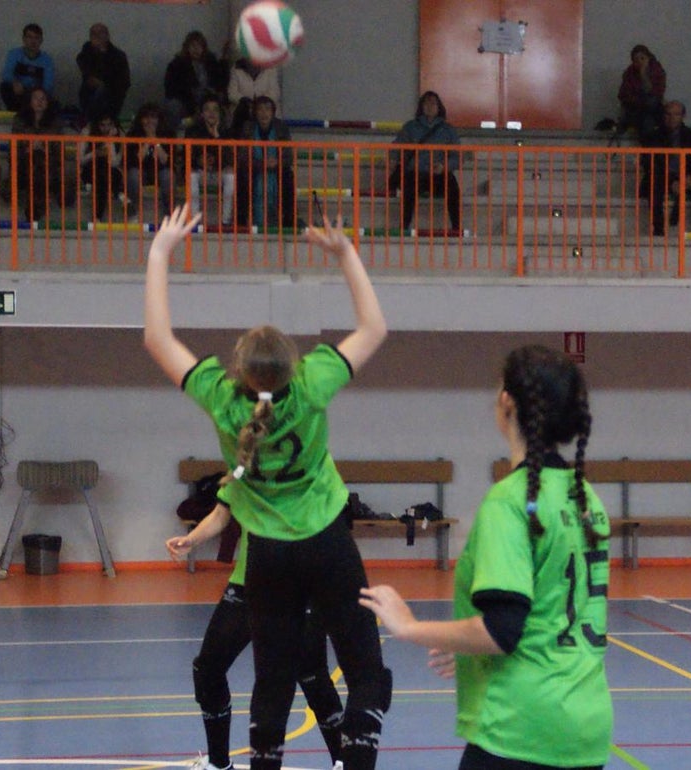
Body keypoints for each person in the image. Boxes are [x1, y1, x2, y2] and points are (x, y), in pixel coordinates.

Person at [144, 206, 392, 770]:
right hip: (328, 545)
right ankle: (355, 759)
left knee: (273, 683)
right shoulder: (313, 385)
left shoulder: (220, 397)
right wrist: (346, 254)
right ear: (293, 366)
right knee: (365, 672)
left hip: (270, 558)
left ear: (237, 370)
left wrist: (161, 253)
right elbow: (375, 328)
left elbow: (157, 337)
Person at [360, 344, 611, 770]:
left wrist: (412, 627)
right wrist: (469, 652)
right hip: (585, 728)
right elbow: (546, 617)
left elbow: (502, 629)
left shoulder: (509, 503)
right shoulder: (586, 499)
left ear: (507, 401)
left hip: (519, 729)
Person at [167, 505, 345, 770]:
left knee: (311, 674)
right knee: (208, 669)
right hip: (247, 584)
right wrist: (191, 540)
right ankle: (218, 763)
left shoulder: (308, 467)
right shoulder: (243, 470)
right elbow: (220, 514)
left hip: (301, 586)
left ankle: (343, 762)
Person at [390, 90, 462, 233]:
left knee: (453, 188)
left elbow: (457, 156)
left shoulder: (448, 130)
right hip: (415, 173)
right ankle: (404, 227)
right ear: (421, 107)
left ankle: (456, 228)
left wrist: (443, 167)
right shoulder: (410, 127)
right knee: (408, 189)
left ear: (439, 107)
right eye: (426, 103)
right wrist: (393, 159)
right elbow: (396, 147)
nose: (430, 106)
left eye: (433, 103)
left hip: (439, 175)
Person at [639, 99, 691, 236]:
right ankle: (658, 229)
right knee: (654, 183)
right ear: (663, 116)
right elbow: (650, 163)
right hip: (661, 176)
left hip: (686, 177)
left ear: (683, 116)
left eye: (676, 114)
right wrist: (671, 181)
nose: (672, 118)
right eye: (668, 114)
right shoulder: (652, 137)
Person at [10, 86, 73, 222]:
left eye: (43, 99)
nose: (39, 102)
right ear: (29, 101)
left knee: (39, 163)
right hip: (24, 165)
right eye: (36, 98)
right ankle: (36, 209)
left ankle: (34, 209)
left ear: (48, 102)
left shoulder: (55, 123)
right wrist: (28, 149)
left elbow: (59, 149)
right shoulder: (20, 120)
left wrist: (46, 150)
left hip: (49, 166)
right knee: (35, 162)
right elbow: (14, 147)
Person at [235, 96, 295, 229]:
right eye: (260, 109)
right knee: (242, 175)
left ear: (273, 113)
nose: (264, 113)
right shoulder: (248, 128)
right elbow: (243, 157)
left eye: (267, 109)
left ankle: (288, 219)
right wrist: (261, 164)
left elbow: (288, 156)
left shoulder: (281, 128)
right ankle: (240, 219)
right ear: (255, 113)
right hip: (254, 170)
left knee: (288, 175)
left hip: (277, 170)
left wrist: (277, 162)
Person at [184, 93, 235, 224]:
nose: (211, 113)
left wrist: (217, 137)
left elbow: (229, 158)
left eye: (215, 110)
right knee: (191, 176)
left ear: (220, 113)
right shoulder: (192, 131)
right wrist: (199, 161)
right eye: (207, 109)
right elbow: (188, 156)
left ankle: (226, 221)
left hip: (219, 173)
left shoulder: (226, 131)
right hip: (200, 172)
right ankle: (194, 220)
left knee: (231, 176)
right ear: (201, 113)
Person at [164, 31, 228, 131]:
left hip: (208, 98)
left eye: (199, 46)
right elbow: (171, 89)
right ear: (187, 47)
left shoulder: (211, 62)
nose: (196, 49)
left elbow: (220, 82)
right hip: (186, 100)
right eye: (193, 45)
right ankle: (178, 135)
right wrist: (192, 104)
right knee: (173, 106)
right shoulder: (176, 65)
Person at [124, 102, 177, 221]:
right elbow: (135, 161)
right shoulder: (133, 135)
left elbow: (166, 161)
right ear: (140, 119)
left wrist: (156, 141)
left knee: (169, 176)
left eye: (153, 117)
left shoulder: (168, 135)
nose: (149, 121)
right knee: (133, 175)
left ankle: (168, 214)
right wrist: (148, 141)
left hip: (161, 171)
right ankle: (135, 211)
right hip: (141, 172)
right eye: (146, 117)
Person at [76, 23, 131, 123]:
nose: (97, 36)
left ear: (108, 35)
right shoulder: (85, 54)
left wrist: (107, 86)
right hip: (90, 96)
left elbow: (124, 82)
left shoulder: (119, 56)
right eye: (93, 34)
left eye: (100, 33)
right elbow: (89, 74)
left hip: (113, 97)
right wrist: (98, 53)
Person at [76, 112, 124, 222]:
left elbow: (114, 163)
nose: (106, 128)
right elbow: (80, 160)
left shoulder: (117, 135)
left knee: (105, 176)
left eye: (109, 125)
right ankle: (120, 194)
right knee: (102, 172)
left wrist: (114, 142)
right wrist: (95, 153)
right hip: (90, 170)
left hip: (109, 173)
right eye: (103, 125)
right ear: (97, 125)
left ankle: (97, 216)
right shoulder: (87, 132)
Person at [617, 44, 666, 142]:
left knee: (650, 110)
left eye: (642, 58)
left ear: (649, 58)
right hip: (635, 109)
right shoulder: (629, 73)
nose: (639, 62)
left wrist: (643, 74)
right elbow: (624, 95)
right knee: (646, 117)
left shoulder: (657, 71)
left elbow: (656, 93)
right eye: (636, 59)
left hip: (652, 109)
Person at [0, 23, 54, 112]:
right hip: (18, 91)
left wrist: (37, 93)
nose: (33, 41)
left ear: (41, 40)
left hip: (36, 94)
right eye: (29, 37)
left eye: (36, 38)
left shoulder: (47, 60)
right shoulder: (14, 54)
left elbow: (48, 85)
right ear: (24, 39)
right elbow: (6, 74)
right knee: (5, 87)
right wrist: (15, 82)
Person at [227, 57, 282, 137]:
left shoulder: (271, 67)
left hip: (269, 118)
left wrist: (258, 103)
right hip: (242, 117)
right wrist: (246, 101)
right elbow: (231, 93)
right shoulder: (236, 68)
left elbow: (275, 93)